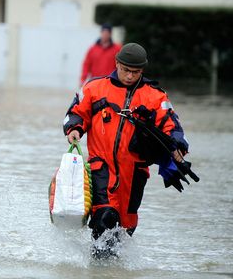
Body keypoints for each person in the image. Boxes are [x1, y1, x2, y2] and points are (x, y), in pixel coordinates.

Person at [63, 43, 194, 258]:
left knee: (124, 229)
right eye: (126, 70)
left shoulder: (156, 97)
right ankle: (98, 269)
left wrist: (178, 147)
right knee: (105, 217)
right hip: (100, 167)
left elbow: (173, 126)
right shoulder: (94, 88)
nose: (130, 76)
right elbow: (76, 113)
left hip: (135, 174)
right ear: (117, 64)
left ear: (142, 70)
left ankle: (109, 270)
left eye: (136, 72)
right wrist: (74, 129)